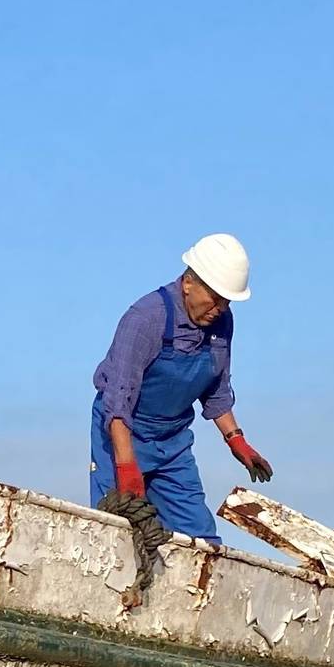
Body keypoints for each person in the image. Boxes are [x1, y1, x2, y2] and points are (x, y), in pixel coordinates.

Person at [89, 234, 274, 548]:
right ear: (189, 283)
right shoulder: (146, 319)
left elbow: (216, 389)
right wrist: (126, 464)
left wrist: (236, 439)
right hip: (123, 434)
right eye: (215, 298)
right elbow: (117, 401)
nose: (220, 308)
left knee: (199, 540)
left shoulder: (222, 323)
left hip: (173, 441)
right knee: (118, 532)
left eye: (227, 301)